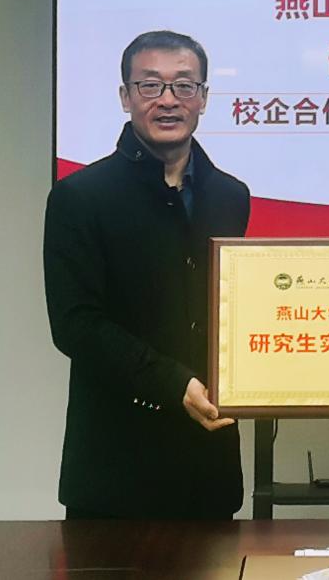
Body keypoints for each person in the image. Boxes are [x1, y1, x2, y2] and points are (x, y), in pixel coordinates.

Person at [43, 30, 249, 519]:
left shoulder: (231, 196)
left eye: (184, 85)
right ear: (125, 96)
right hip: (115, 468)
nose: (168, 100)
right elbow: (75, 324)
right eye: (150, 85)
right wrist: (173, 383)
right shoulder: (80, 197)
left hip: (209, 467)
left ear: (203, 98)